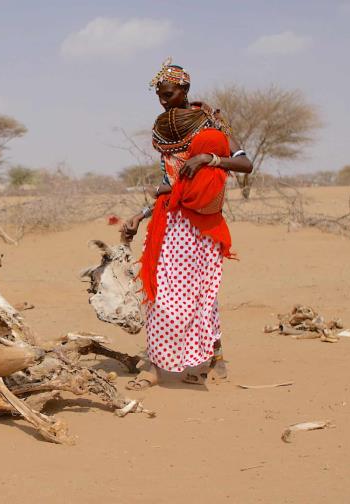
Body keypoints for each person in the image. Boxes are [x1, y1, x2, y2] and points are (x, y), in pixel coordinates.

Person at [122, 60, 252, 390]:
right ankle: (154, 364)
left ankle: (213, 361)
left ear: (184, 90)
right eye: (160, 96)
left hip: (201, 222)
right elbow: (168, 183)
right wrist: (141, 213)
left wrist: (207, 158)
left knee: (201, 295)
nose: (164, 101)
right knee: (158, 292)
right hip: (170, 221)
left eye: (169, 94)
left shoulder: (210, 124)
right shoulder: (161, 129)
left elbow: (244, 163)